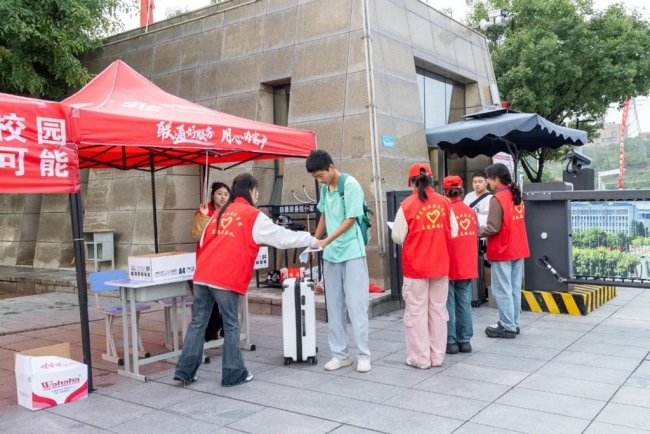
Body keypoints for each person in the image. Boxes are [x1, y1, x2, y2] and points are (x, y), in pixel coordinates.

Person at [175, 173, 319, 386]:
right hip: (225, 276)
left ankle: (185, 371)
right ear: (250, 191)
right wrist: (311, 239)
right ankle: (233, 373)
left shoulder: (219, 213)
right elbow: (281, 237)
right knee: (232, 324)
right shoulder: (252, 215)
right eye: (257, 191)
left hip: (203, 273)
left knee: (198, 322)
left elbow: (204, 239)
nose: (258, 195)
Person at [306, 150, 372, 373]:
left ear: (331, 167)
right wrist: (316, 240)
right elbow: (324, 214)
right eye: (315, 177)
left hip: (352, 252)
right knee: (334, 307)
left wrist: (325, 242)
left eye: (320, 174)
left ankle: (363, 355)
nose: (319, 179)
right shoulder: (325, 189)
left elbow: (351, 219)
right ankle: (340, 354)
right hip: (331, 255)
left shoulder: (350, 184)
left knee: (356, 305)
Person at [391, 164, 458, 369]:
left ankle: (420, 358)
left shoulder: (407, 205)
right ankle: (437, 357)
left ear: (411, 182)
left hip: (416, 268)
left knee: (417, 312)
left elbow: (397, 236)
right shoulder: (445, 202)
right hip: (440, 266)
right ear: (431, 180)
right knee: (438, 311)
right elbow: (453, 231)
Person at [478, 163, 530, 339]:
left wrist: (477, 232)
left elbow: (493, 227)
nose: (488, 182)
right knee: (514, 288)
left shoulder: (497, 198)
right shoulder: (517, 196)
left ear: (497, 179)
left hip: (502, 248)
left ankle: (507, 326)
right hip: (518, 247)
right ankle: (513, 323)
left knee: (502, 289)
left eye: (489, 179)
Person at [442, 176, 478, 354]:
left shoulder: (444, 211)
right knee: (464, 301)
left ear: (444, 191)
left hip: (449, 263)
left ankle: (450, 341)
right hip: (467, 263)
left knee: (448, 302)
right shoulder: (471, 212)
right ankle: (465, 341)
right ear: (462, 191)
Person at [191, 181, 230, 342]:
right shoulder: (202, 212)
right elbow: (197, 235)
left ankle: (226, 328)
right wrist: (205, 216)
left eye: (226, 194)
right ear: (212, 195)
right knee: (210, 299)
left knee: (226, 298)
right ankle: (211, 331)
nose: (223, 197)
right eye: (219, 193)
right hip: (207, 262)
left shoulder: (231, 213)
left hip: (225, 261)